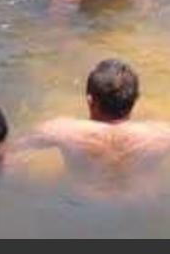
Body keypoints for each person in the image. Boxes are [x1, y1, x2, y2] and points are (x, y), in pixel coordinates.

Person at [12, 59, 170, 195]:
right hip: (140, 209)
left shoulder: (61, 131)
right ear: (135, 100)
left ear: (90, 100)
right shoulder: (161, 135)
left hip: (80, 207)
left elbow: (6, 152)